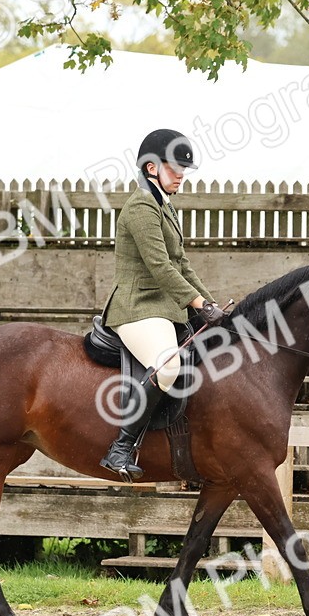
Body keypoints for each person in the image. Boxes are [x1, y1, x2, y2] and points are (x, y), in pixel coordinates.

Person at [98, 129, 226, 481]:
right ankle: (121, 447)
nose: (181, 175)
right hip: (137, 307)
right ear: (151, 168)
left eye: (184, 169)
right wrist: (198, 302)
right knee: (168, 365)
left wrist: (211, 306)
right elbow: (160, 267)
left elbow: (183, 265)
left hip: (165, 306)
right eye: (174, 168)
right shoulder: (140, 207)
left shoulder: (164, 207)